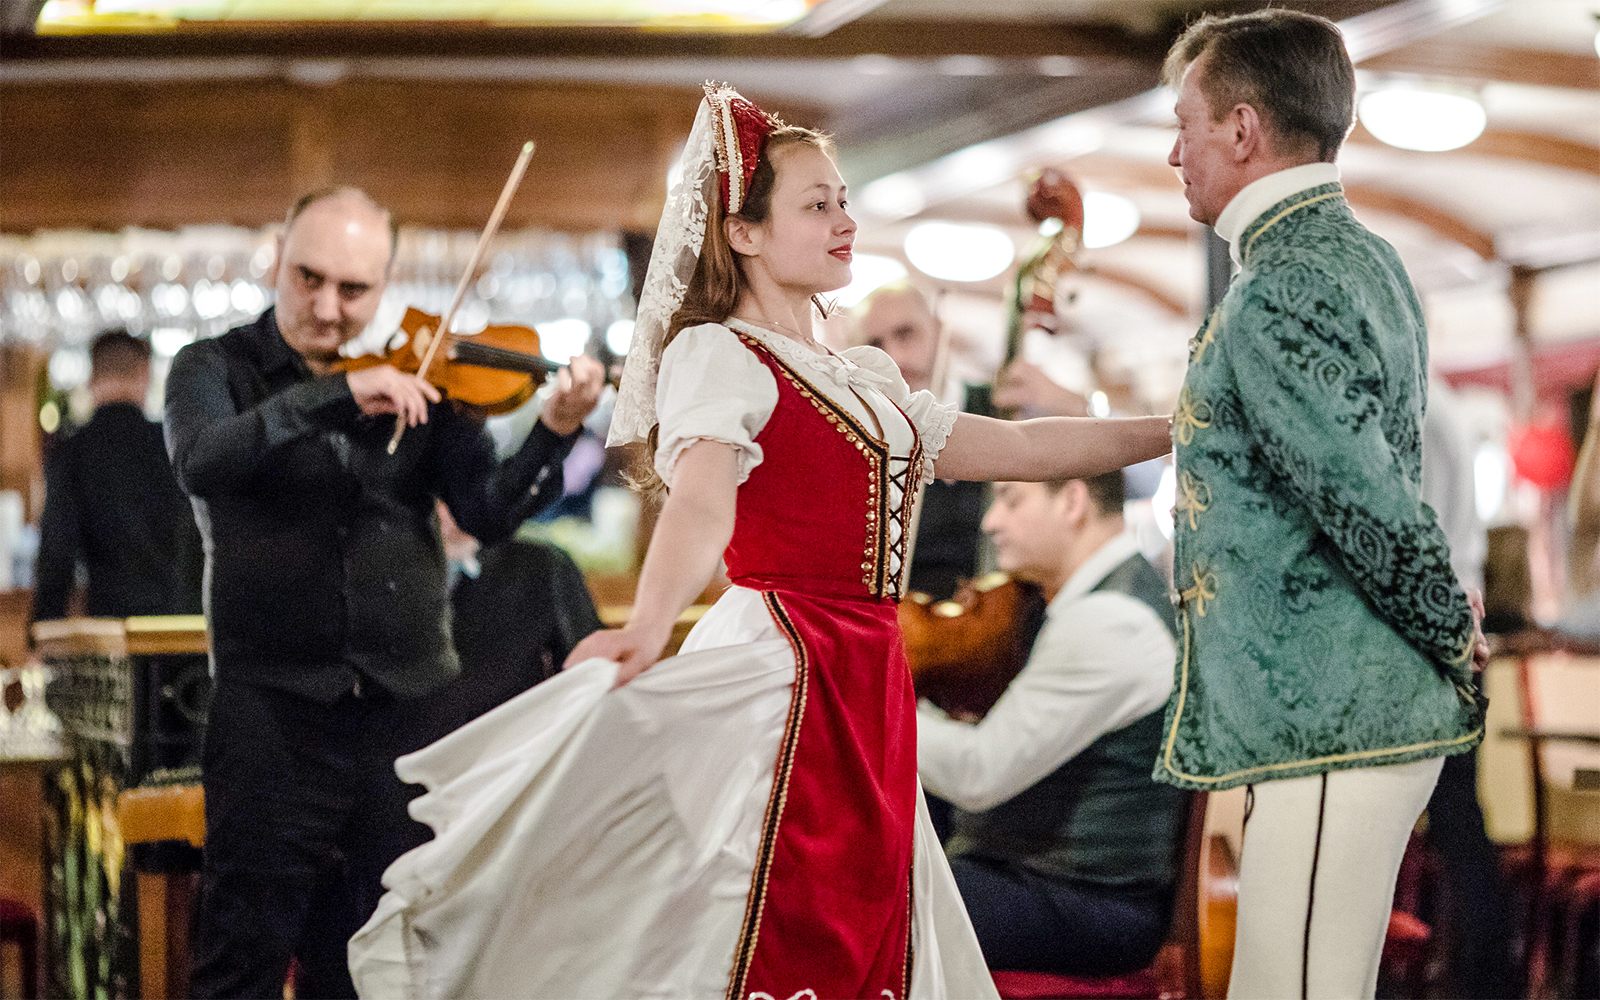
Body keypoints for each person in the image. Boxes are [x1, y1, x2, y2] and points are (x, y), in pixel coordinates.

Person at [348, 85, 1172, 1000]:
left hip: (867, 670)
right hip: (787, 665)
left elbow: (1016, 446)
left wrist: (1175, 425)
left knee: (865, 927)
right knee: (775, 925)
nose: (844, 220)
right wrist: (650, 623)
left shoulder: (862, 373)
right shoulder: (720, 352)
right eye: (817, 205)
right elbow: (702, 502)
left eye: (844, 201)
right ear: (743, 233)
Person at [163, 186, 604, 1000]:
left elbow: (488, 512)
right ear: (276, 259)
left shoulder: (428, 375)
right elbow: (203, 461)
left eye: (354, 289)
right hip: (270, 713)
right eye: (308, 279)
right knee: (240, 961)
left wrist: (554, 430)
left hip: (410, 710)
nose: (327, 308)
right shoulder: (212, 368)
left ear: (387, 283)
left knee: (395, 956)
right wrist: (339, 393)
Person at [1156, 11, 1490, 999]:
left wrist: (1450, 634)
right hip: (1330, 716)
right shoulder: (1361, 258)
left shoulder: (1278, 286)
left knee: (1291, 988)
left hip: (1336, 716)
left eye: (1185, 125)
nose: (1174, 154)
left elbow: (1367, 499)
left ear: (1242, 129)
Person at [918, 472, 1185, 977]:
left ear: (1073, 501)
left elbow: (978, 774)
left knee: (858, 894)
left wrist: (875, 705)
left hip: (1086, 903)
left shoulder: (1112, 622)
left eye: (1011, 500)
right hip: (1041, 878)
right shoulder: (1093, 600)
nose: (990, 521)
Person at [32, 328, 202, 621]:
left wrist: (42, 630)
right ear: (144, 376)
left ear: (92, 380)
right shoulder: (173, 445)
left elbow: (57, 553)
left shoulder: (71, 453)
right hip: (177, 627)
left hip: (109, 630)